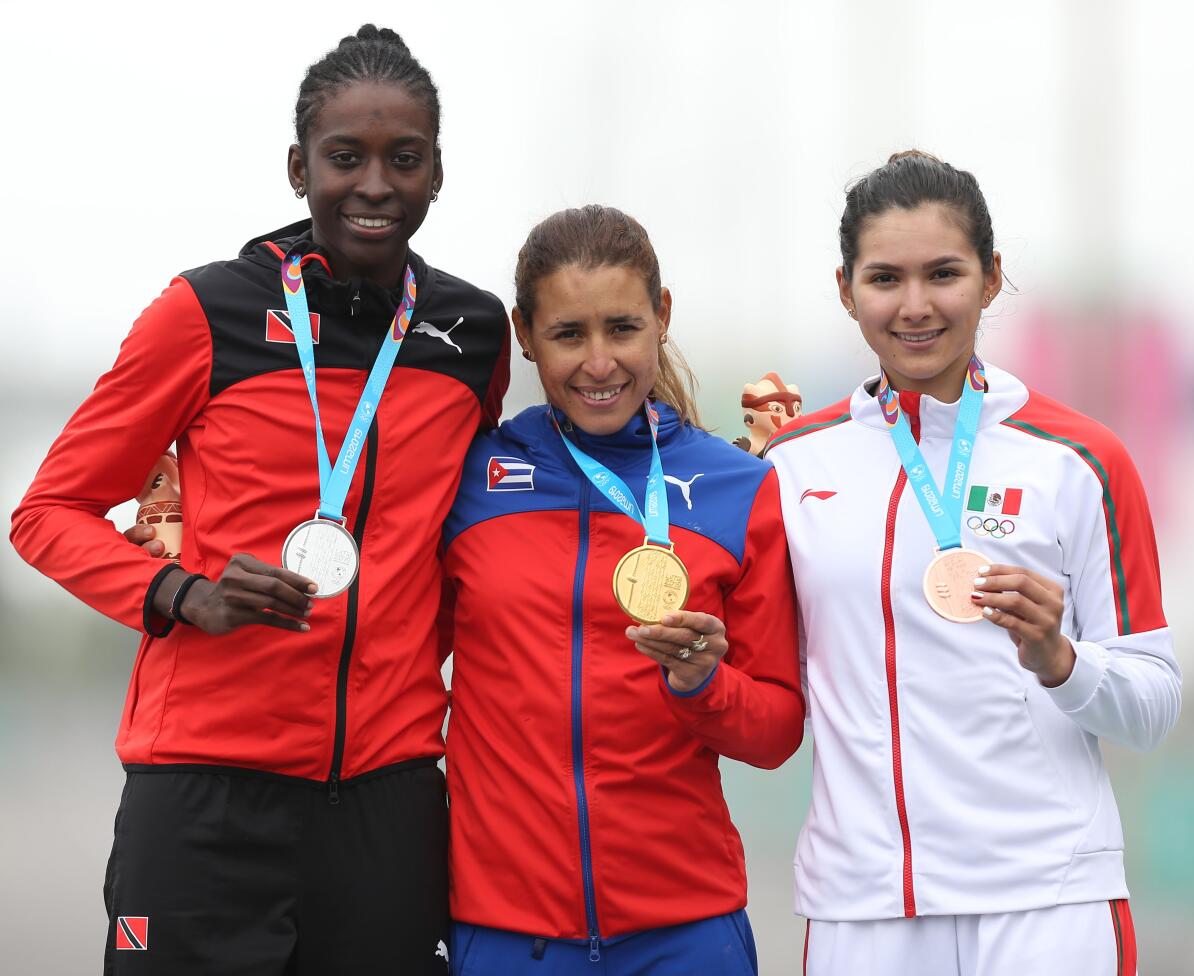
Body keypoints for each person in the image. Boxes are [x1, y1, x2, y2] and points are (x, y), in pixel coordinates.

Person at [10, 25, 509, 975]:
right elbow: (46, 514)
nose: (373, 185)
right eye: (343, 157)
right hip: (204, 798)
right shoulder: (206, 313)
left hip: (389, 799)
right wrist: (180, 594)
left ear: (437, 172)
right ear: (297, 167)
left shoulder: (471, 335)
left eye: (403, 159)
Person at [766, 151, 1181, 976]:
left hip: (1046, 899)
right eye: (885, 278)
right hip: (864, 907)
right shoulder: (790, 465)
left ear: (992, 279)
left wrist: (1063, 662)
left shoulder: (1081, 462)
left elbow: (1155, 706)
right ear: (846, 290)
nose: (915, 306)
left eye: (943, 274)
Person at [439, 205, 805, 975]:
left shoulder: (741, 489)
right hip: (505, 932)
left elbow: (774, 733)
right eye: (569, 334)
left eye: (623, 329)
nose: (599, 364)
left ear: (662, 317)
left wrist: (704, 683)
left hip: (686, 931)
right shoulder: (470, 480)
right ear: (525, 334)